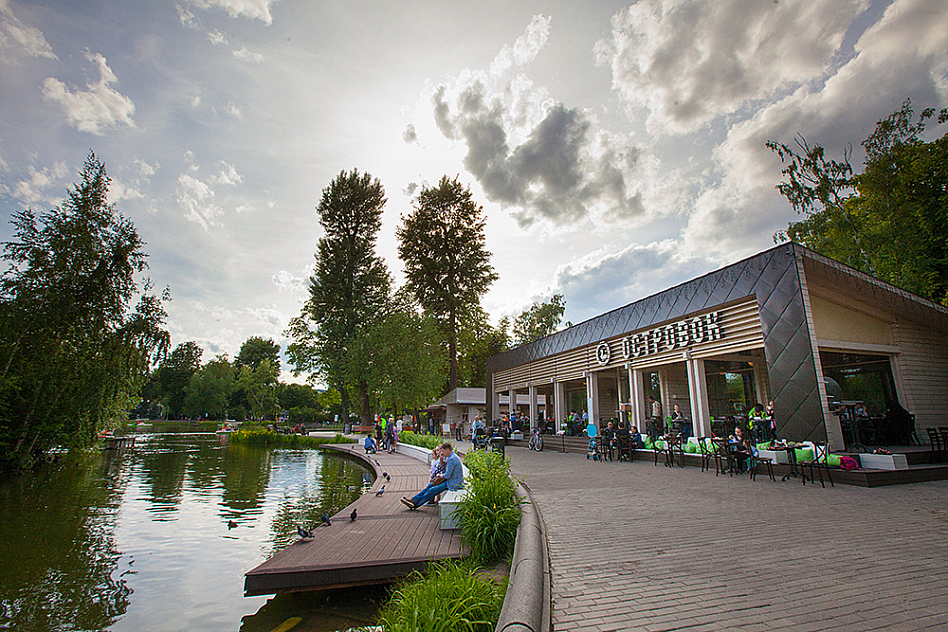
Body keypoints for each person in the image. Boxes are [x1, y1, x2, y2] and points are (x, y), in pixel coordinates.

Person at [402, 442, 463, 509]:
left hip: (453, 483)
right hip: (450, 480)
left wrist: (439, 476)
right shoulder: (450, 457)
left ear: (447, 450)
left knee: (432, 490)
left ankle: (416, 504)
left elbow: (447, 475)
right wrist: (441, 458)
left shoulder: (452, 459)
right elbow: (443, 467)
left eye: (443, 451)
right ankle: (414, 500)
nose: (442, 453)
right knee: (430, 485)